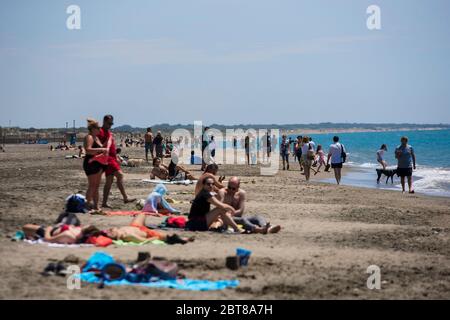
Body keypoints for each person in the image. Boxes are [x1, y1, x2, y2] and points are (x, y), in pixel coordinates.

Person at [98, 115, 136, 208]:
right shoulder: (101, 132)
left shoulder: (108, 132)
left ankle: (104, 202)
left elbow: (112, 147)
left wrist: (116, 157)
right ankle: (125, 198)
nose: (111, 125)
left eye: (112, 123)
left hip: (112, 158)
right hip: (108, 159)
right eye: (109, 123)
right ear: (104, 121)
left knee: (109, 181)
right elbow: (100, 146)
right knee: (120, 175)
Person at [105, 213, 193, 244]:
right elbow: (143, 241)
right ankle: (184, 239)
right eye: (111, 231)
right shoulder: (128, 236)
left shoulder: (118, 231)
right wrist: (154, 238)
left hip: (134, 226)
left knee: (142, 214)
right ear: (116, 236)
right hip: (145, 232)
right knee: (169, 237)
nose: (110, 230)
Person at [83, 119, 109, 211]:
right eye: (98, 128)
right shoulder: (89, 137)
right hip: (91, 163)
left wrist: (107, 143)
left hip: (98, 162)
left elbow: (101, 148)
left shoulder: (96, 137)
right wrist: (102, 149)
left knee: (96, 186)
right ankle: (86, 205)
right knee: (92, 185)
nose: (100, 129)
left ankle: (96, 206)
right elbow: (88, 150)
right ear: (93, 128)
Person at [22, 223, 100, 244]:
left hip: (46, 232)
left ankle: (33, 235)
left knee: (25, 227)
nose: (84, 225)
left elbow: (48, 239)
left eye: (86, 226)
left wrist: (48, 230)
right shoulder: (80, 231)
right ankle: (31, 235)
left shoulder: (69, 236)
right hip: (56, 229)